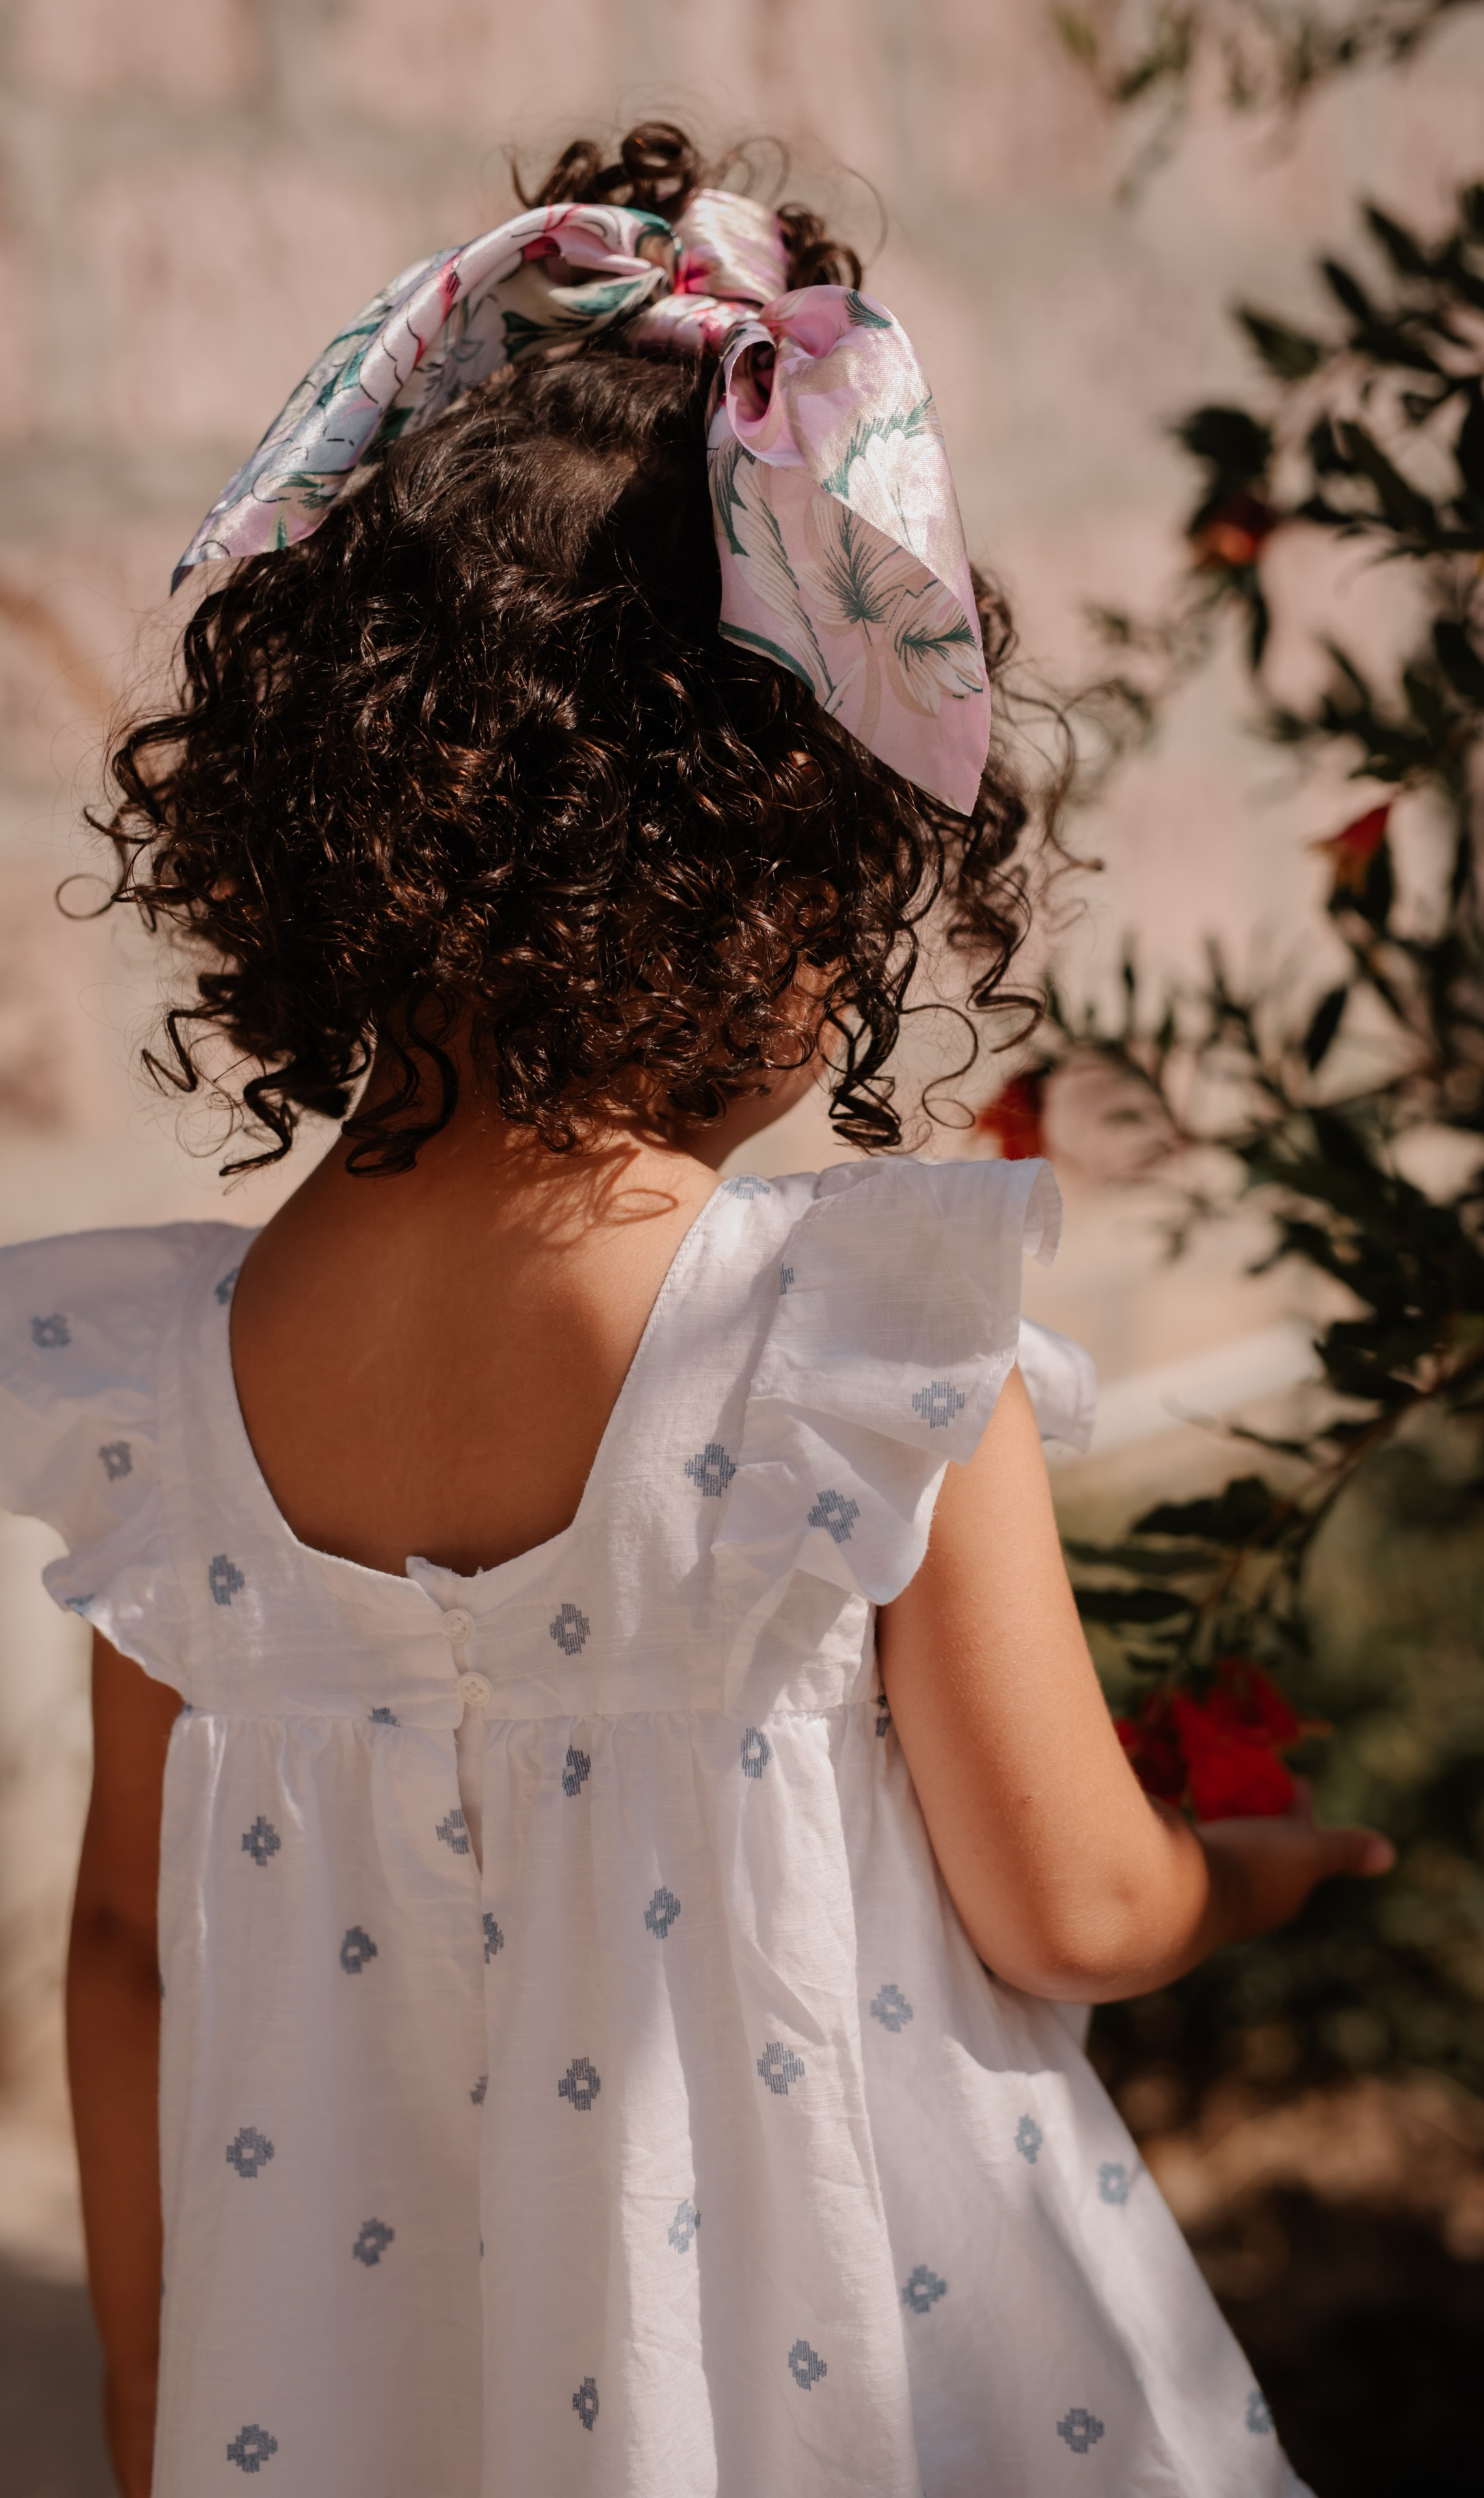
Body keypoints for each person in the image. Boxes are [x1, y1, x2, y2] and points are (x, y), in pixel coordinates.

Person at [0, 122, 1390, 2498]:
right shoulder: (847, 1345)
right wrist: (1254, 1870)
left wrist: (152, 2403)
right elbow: (1069, 1901)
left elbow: (125, 1948)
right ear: (766, 862)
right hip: (865, 2393)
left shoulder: (163, 1394)